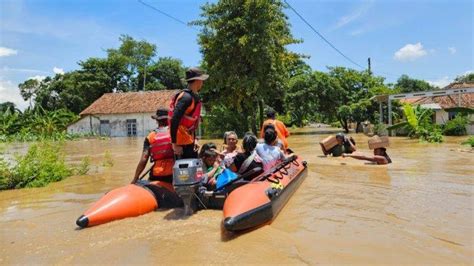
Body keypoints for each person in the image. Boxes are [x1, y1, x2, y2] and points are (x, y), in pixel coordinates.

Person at [168, 67, 208, 159]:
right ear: (197, 80)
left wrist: (195, 139)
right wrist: (174, 144)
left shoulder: (193, 96)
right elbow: (174, 119)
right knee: (185, 172)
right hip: (181, 145)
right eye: (202, 80)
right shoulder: (186, 97)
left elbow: (190, 124)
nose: (202, 83)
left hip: (189, 142)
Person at [131, 108, 174, 184]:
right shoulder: (175, 133)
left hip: (156, 174)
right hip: (173, 174)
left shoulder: (150, 137)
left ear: (157, 121)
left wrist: (135, 178)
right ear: (169, 120)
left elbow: (143, 160)